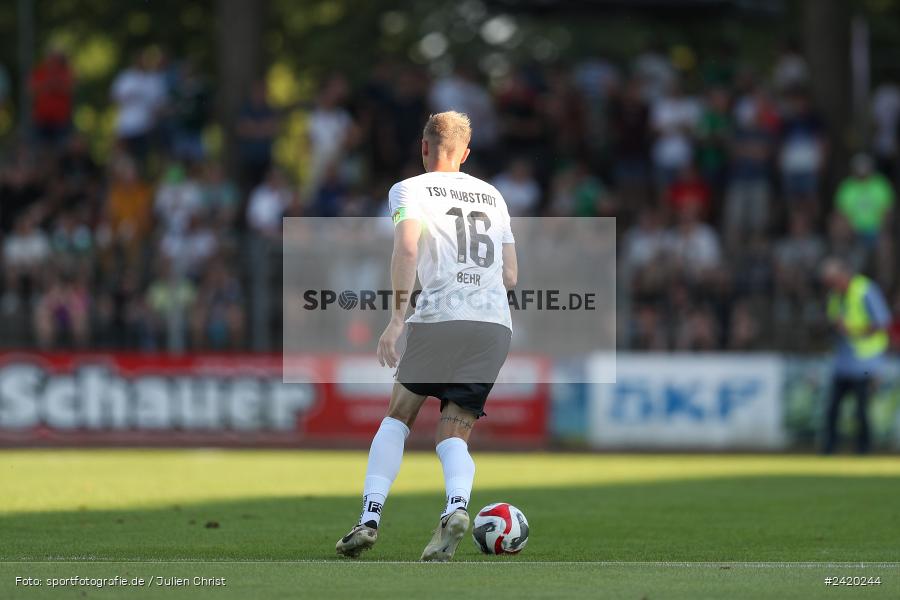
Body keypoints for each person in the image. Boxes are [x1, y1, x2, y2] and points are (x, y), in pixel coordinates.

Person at [336, 111, 517, 562]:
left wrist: (397, 318)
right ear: (466, 153)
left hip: (440, 316)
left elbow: (408, 248)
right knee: (455, 430)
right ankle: (456, 507)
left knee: (398, 415)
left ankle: (370, 519)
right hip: (493, 323)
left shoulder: (408, 190)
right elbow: (511, 275)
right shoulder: (493, 196)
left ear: (424, 147)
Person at [819, 258, 891, 454]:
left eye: (833, 280)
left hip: (866, 361)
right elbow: (834, 321)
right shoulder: (835, 295)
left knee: (861, 409)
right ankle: (829, 449)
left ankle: (863, 450)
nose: (831, 285)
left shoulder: (866, 289)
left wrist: (853, 330)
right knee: (832, 408)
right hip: (843, 361)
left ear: (844, 275)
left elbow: (883, 322)